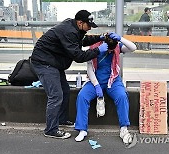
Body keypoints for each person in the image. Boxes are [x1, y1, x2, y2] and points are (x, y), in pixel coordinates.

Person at [30, 10, 109, 139]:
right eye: (88, 25)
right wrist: (97, 51)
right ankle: (51, 129)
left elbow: (81, 41)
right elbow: (78, 56)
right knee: (56, 95)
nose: (89, 28)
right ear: (80, 23)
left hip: (53, 62)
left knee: (65, 91)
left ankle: (61, 119)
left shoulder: (74, 28)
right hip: (44, 63)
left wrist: (99, 37)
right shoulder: (69, 31)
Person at [74, 32, 137, 144]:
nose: (110, 52)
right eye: (108, 50)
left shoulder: (117, 47)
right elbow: (89, 69)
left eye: (112, 51)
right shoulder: (94, 48)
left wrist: (121, 38)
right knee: (82, 96)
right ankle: (82, 129)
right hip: (95, 81)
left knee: (122, 96)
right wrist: (97, 86)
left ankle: (124, 128)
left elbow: (133, 48)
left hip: (113, 81)